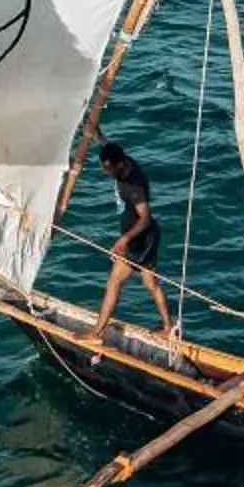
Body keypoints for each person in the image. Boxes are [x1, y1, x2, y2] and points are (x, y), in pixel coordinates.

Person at [88, 140, 175, 339]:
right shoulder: (124, 160)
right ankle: (169, 328)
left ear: (119, 164)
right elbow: (108, 146)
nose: (106, 172)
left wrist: (123, 240)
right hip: (148, 238)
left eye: (109, 168)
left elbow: (144, 219)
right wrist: (96, 134)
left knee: (114, 282)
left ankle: (96, 332)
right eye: (104, 167)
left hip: (139, 241)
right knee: (151, 284)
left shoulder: (133, 187)